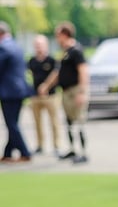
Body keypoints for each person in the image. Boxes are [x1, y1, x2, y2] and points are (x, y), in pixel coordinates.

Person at [38, 21, 89, 164]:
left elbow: (83, 71)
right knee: (70, 121)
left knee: (79, 121)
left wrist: (82, 92)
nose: (57, 38)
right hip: (66, 91)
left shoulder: (76, 51)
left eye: (58, 35)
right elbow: (58, 73)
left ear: (65, 35)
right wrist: (46, 86)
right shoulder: (65, 52)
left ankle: (83, 152)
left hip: (75, 90)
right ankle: (73, 149)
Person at [0, 22, 33, 163]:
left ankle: (25, 152)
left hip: (9, 91)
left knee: (12, 124)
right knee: (13, 123)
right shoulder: (17, 46)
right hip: (19, 90)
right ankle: (8, 153)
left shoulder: (3, 48)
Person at [27, 34, 62, 157]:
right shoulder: (32, 61)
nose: (38, 47)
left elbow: (56, 75)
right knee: (37, 122)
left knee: (54, 121)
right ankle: (40, 145)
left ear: (46, 46)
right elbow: (28, 76)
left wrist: (46, 86)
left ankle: (57, 145)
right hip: (36, 96)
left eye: (40, 45)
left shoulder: (52, 60)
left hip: (50, 95)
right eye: (36, 45)